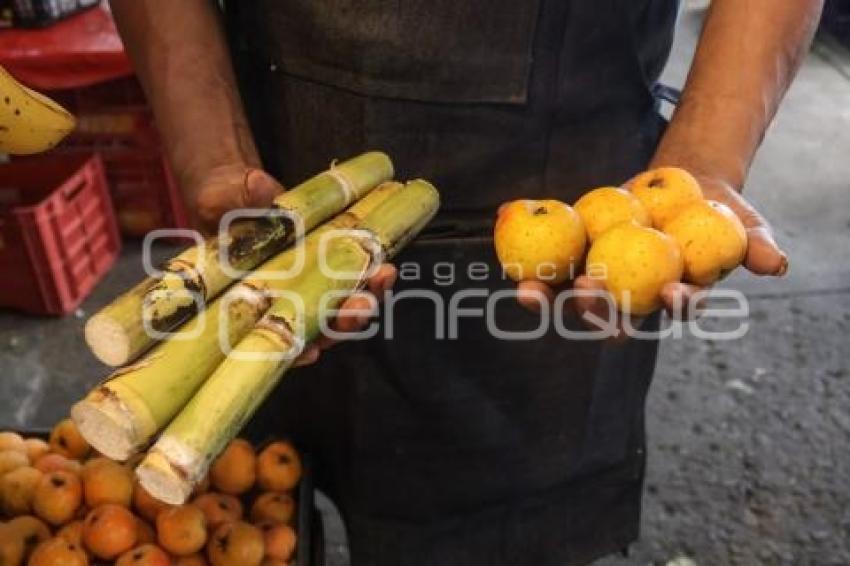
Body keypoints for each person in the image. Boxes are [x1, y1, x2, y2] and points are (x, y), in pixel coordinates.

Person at [110, 1, 822, 563]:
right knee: (271, 495)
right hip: (288, 203)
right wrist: (213, 156)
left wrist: (705, 161)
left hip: (568, 212)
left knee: (508, 530)